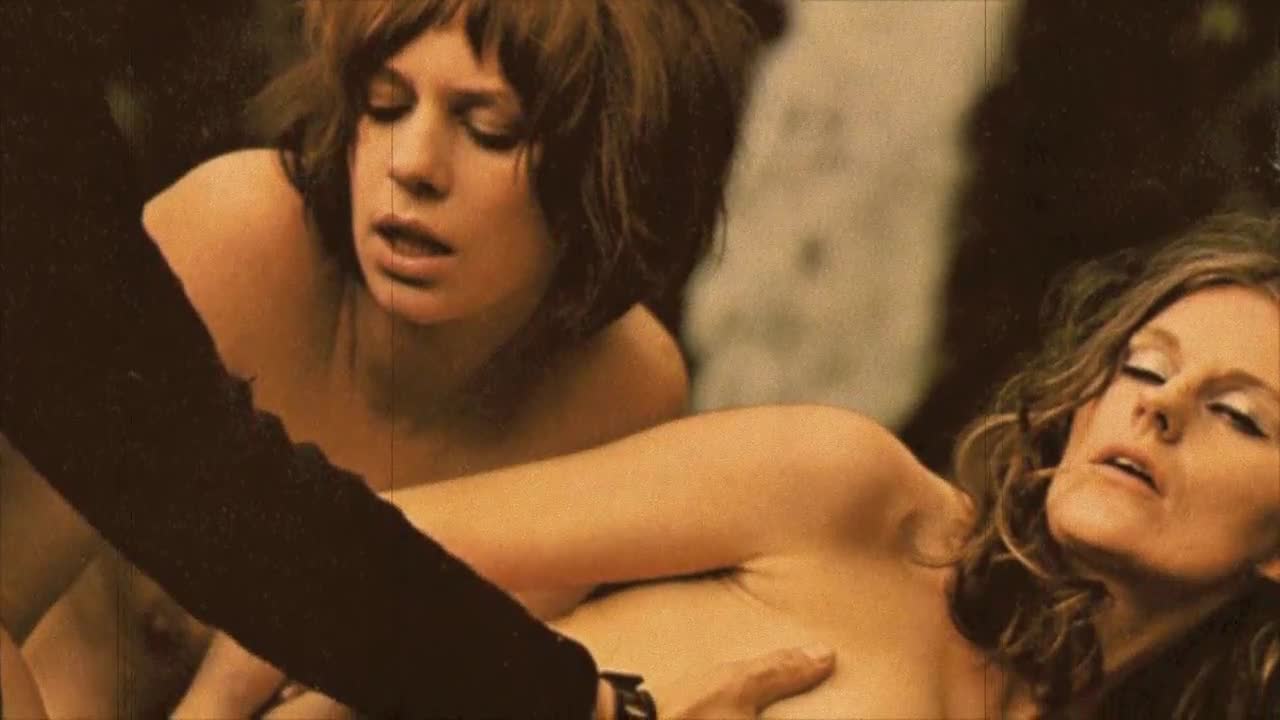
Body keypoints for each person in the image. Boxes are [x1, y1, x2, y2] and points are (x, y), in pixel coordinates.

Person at [1, 1, 832, 717]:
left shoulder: (628, 391)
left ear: (610, 165)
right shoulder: (236, 238)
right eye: (384, 105)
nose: (413, 166)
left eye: (488, 130)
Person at [192, 213, 1279, 718]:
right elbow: (330, 556)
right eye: (1142, 365)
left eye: (1237, 415)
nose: (1158, 405)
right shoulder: (852, 497)